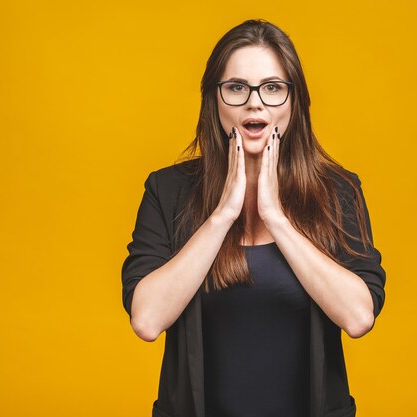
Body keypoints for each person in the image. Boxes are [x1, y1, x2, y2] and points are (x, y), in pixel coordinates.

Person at [121, 18, 386, 417]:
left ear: (295, 102)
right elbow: (146, 319)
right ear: (214, 99)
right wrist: (222, 216)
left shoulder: (338, 192)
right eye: (237, 87)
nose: (255, 102)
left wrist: (276, 218)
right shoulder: (167, 190)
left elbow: (358, 316)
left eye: (273, 87)